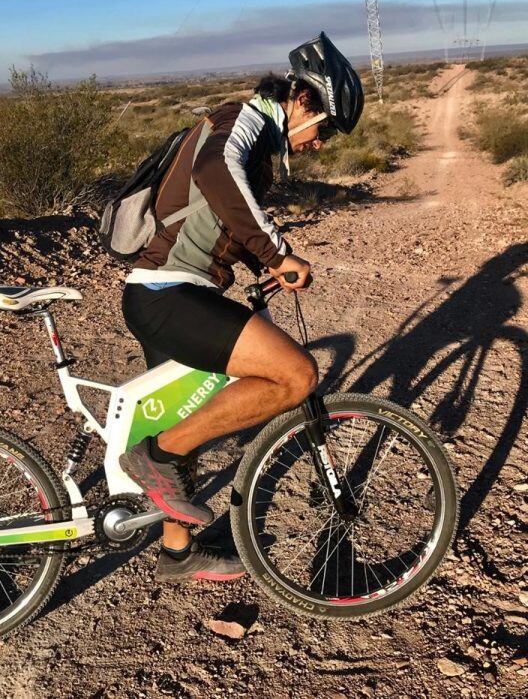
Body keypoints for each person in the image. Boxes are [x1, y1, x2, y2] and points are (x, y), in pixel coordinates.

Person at [119, 32, 364, 582]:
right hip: (167, 295)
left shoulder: (249, 134)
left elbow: (220, 218)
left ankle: (178, 552)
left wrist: (259, 269)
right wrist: (277, 253)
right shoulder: (241, 123)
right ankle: (153, 457)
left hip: (169, 292)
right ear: (302, 100)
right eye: (323, 127)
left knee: (186, 413)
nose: (320, 143)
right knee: (296, 374)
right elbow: (215, 174)